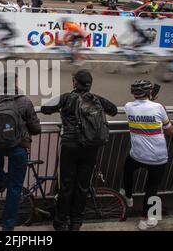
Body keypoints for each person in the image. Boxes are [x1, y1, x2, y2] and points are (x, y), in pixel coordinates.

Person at [41, 70, 118, 231]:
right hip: (91, 147)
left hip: (70, 146)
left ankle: (61, 222)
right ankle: (76, 222)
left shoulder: (67, 97)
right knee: (82, 186)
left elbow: (45, 108)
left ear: (75, 83)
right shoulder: (97, 99)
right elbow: (114, 110)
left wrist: (61, 110)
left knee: (66, 186)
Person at [0, 72, 41, 231]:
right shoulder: (25, 101)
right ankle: (7, 226)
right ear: (15, 83)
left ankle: (0, 179)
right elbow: (36, 128)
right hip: (18, 147)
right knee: (15, 188)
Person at [121, 80, 173, 230]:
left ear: (133, 93)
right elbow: (169, 130)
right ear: (150, 92)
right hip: (158, 157)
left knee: (127, 170)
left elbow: (141, 107)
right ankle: (148, 219)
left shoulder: (128, 107)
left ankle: (129, 196)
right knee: (152, 187)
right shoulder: (159, 107)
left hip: (137, 154)